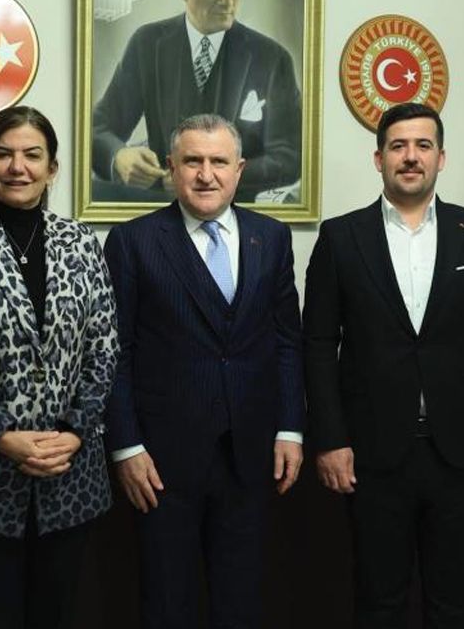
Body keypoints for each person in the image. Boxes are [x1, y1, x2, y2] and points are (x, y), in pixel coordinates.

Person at [302, 102, 464, 628]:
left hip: (461, 452)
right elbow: (318, 344)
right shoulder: (341, 237)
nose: (410, 156)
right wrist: (330, 439)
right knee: (379, 602)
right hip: (373, 455)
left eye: (423, 146)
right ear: (378, 158)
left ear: (440, 158)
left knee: (454, 602)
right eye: (398, 146)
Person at [0, 105, 120, 629]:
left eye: (32, 155)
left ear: (52, 168)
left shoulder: (82, 243)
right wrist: (2, 434)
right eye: (3, 154)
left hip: (68, 477)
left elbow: (103, 349)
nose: (17, 167)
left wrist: (74, 431)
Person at [103, 113, 304, 628]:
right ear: (172, 168)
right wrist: (126, 447)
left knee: (241, 606)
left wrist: (290, 428)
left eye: (219, 161)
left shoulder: (271, 237)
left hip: (251, 457)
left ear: (240, 170)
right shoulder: (132, 241)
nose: (206, 174)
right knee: (167, 605)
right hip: (160, 464)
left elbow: (287, 342)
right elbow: (115, 353)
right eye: (192, 161)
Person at [92, 0, 302, 203]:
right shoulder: (148, 44)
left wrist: (216, 175)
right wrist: (119, 156)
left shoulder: (272, 58)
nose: (226, 0)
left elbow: (290, 157)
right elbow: (98, 128)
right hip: (162, 210)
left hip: (236, 211)